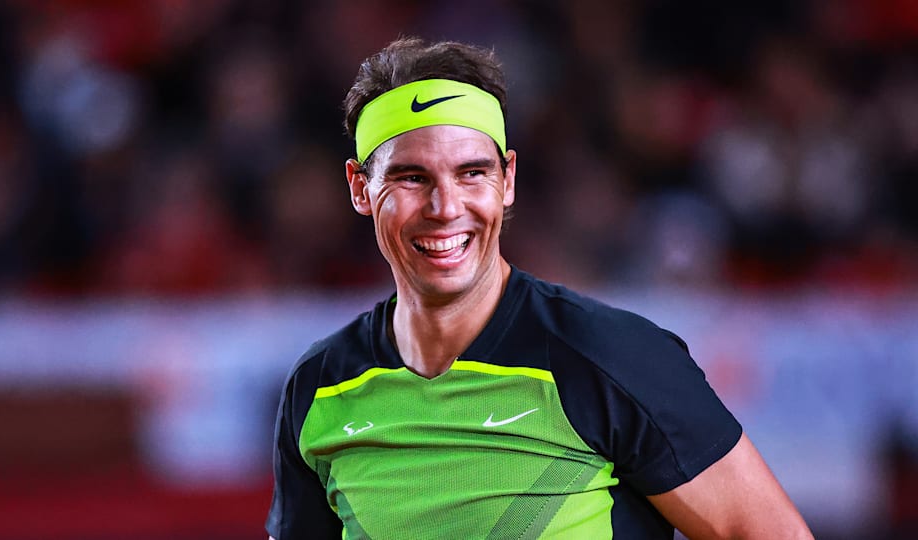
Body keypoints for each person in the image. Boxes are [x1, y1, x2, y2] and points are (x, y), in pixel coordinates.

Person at [265, 37, 813, 539]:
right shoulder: (319, 388)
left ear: (507, 180)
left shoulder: (612, 356)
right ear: (361, 188)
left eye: (472, 173)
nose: (445, 207)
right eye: (412, 177)